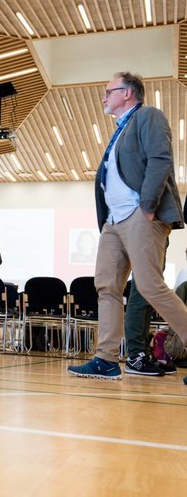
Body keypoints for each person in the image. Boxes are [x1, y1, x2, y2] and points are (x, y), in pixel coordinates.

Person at [68, 72, 187, 380]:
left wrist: (147, 208)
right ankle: (105, 359)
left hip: (139, 215)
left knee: (150, 286)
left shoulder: (148, 116)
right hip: (113, 221)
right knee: (106, 287)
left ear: (128, 93)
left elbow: (160, 160)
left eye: (109, 91)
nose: (104, 97)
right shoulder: (119, 130)